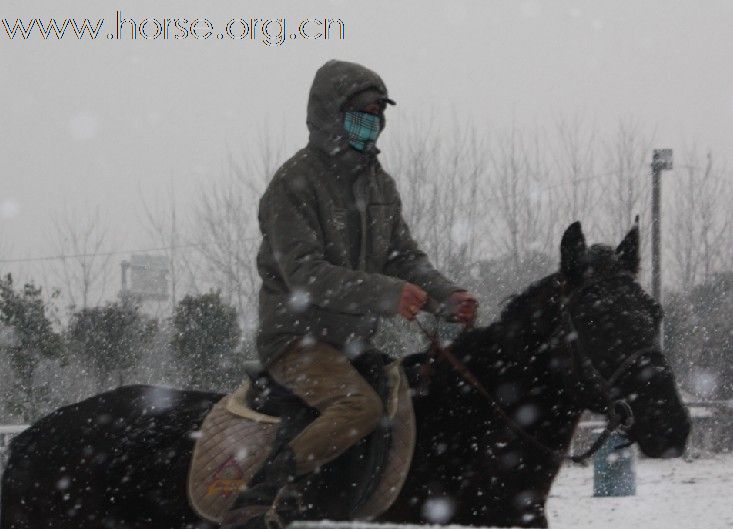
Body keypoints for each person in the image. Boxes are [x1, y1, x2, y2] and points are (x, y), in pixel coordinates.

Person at [222, 59, 477, 529]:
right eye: (361, 112)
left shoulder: (381, 186)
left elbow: (404, 257)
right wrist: (386, 294)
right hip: (296, 341)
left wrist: (445, 297)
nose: (372, 123)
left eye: (379, 113)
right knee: (358, 407)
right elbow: (305, 273)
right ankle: (268, 489)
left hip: (350, 343)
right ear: (328, 115)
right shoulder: (292, 183)